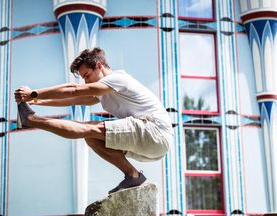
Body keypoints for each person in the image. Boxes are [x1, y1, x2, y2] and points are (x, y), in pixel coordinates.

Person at [14, 47, 172, 194]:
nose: (86, 82)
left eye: (87, 76)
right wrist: (35, 101)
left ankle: (31, 120)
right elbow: (73, 99)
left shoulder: (118, 79)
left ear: (99, 65)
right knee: (92, 137)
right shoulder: (102, 91)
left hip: (155, 130)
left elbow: (73, 89)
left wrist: (33, 93)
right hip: (153, 144)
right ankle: (133, 176)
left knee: (91, 128)